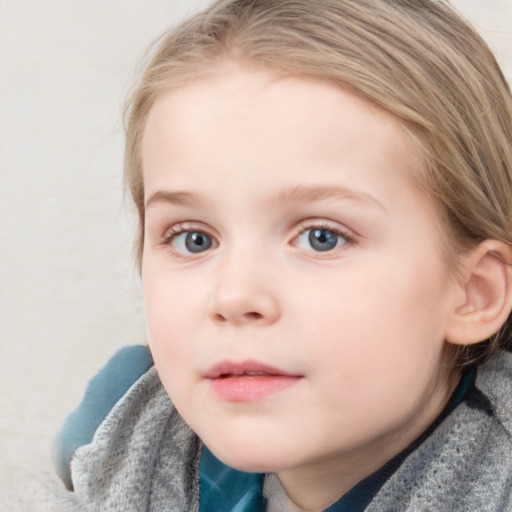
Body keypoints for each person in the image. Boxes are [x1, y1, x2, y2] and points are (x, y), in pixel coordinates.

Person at [53, 0, 512, 510]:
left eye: (322, 237)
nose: (234, 295)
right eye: (194, 238)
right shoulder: (116, 439)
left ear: (474, 293)